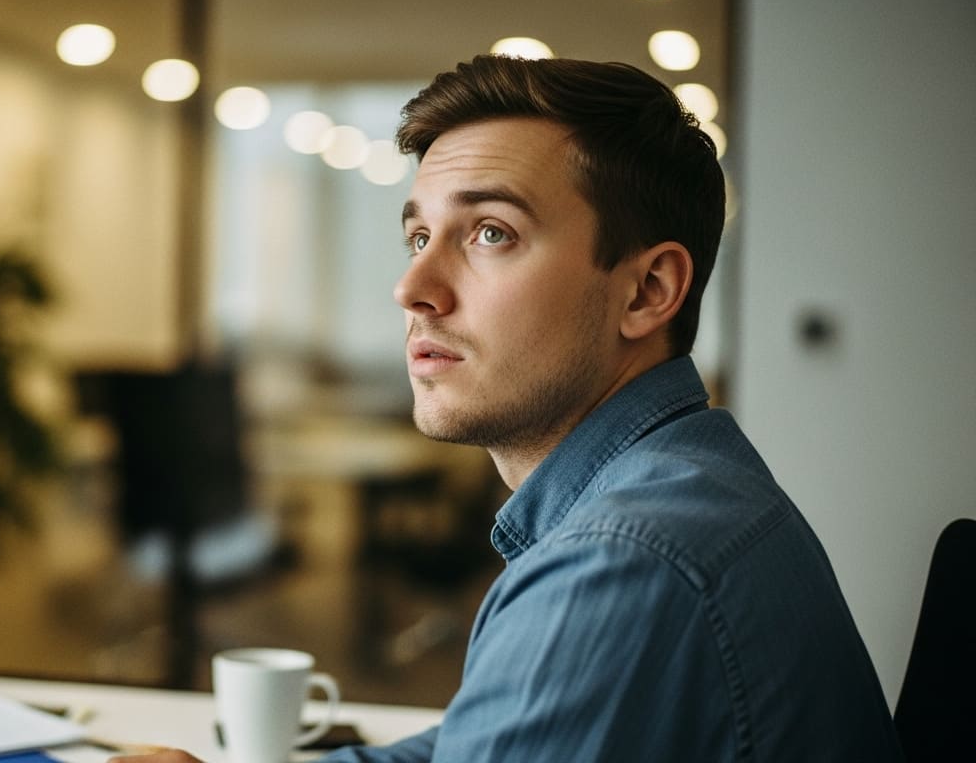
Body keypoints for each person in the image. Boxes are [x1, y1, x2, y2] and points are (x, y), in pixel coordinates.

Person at [113, 55, 901, 762]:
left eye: (490, 232)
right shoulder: (681, 480)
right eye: (418, 236)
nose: (412, 288)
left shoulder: (624, 559)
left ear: (649, 291)